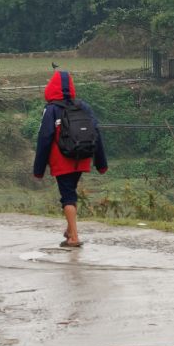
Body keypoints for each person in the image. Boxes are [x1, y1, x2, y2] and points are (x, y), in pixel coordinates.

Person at [32, 70, 107, 247]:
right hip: (82, 157)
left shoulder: (51, 110)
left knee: (67, 197)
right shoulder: (84, 106)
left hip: (62, 159)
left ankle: (74, 237)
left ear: (51, 88)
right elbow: (96, 133)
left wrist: (38, 170)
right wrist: (101, 163)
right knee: (71, 192)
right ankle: (69, 230)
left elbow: (44, 138)